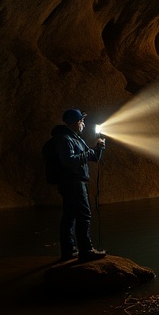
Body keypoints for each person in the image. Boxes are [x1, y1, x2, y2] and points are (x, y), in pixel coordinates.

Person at [49, 108, 106, 262]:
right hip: (72, 182)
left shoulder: (76, 138)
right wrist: (88, 153)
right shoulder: (64, 139)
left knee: (70, 216)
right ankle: (86, 251)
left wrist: (99, 147)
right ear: (75, 122)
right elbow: (68, 161)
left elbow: (93, 157)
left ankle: (69, 251)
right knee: (83, 214)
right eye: (81, 121)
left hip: (74, 182)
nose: (83, 125)